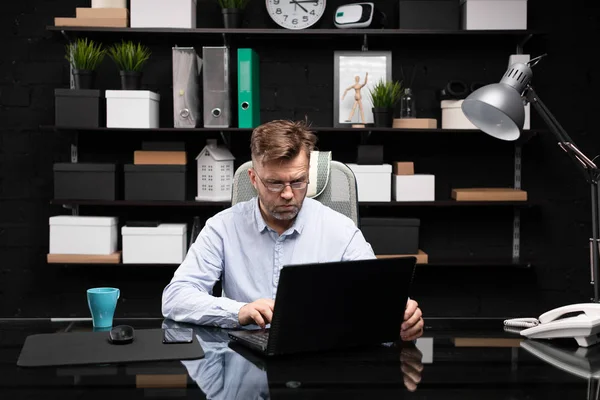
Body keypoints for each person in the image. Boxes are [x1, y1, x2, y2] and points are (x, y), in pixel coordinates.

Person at [161, 119, 424, 341]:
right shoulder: (223, 227)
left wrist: (402, 317)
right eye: (275, 183)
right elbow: (175, 297)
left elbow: (377, 297)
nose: (288, 194)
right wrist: (238, 311)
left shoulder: (341, 230)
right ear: (254, 179)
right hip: (244, 355)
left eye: (298, 181)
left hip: (320, 357)